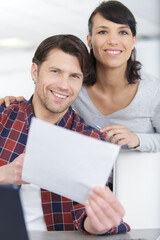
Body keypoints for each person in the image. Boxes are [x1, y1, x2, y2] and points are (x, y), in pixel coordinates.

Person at [0, 34, 130, 235]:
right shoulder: (3, 118)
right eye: (55, 71)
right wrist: (5, 174)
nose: (63, 85)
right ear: (35, 71)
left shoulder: (90, 140)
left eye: (74, 76)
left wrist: (95, 223)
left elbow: (86, 212)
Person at [2, 1, 160, 152]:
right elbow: (46, 100)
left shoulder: (153, 90)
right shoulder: (75, 85)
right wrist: (14, 105)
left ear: (133, 41)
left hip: (136, 176)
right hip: (82, 172)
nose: (113, 40)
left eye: (123, 32)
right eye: (103, 32)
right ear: (90, 41)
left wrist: (138, 139)